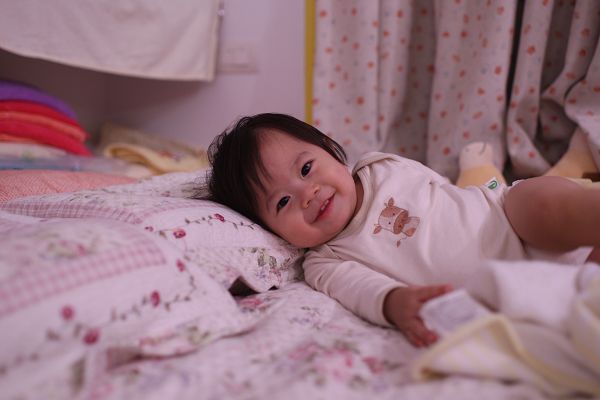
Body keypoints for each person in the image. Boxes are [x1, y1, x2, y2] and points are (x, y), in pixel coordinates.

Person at [201, 113, 600, 347]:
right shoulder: (326, 263)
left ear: (329, 148)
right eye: (283, 202)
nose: (308, 194)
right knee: (551, 319)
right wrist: (397, 303)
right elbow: (366, 292)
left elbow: (443, 192)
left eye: (306, 168)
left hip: (508, 216)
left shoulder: (380, 166)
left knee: (546, 204)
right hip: (501, 289)